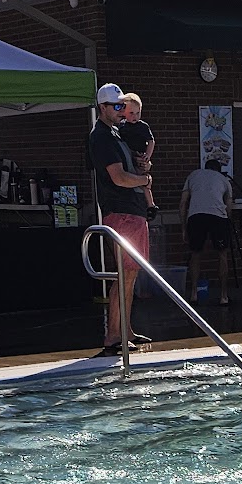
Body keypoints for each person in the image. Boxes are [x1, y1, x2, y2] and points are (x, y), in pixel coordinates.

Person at [86, 82, 152, 352]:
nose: (121, 110)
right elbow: (118, 178)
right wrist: (144, 180)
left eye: (122, 105)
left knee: (131, 274)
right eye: (116, 106)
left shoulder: (116, 133)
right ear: (102, 108)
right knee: (124, 275)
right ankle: (114, 335)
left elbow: (127, 169)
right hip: (121, 212)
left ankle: (126, 330)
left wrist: (140, 164)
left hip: (131, 210)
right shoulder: (102, 137)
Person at [181, 157, 235, 307]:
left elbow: (183, 203)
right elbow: (229, 205)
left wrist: (184, 228)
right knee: (222, 254)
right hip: (218, 217)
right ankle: (224, 296)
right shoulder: (224, 180)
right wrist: (228, 224)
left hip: (196, 216)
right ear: (218, 169)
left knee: (195, 254)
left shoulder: (193, 175)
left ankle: (194, 294)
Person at [118, 93, 157, 213]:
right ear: (124, 112)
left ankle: (151, 205)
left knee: (143, 180)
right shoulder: (121, 126)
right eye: (131, 113)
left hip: (139, 155)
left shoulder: (143, 126)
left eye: (137, 113)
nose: (135, 116)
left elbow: (151, 141)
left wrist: (147, 156)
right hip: (128, 156)